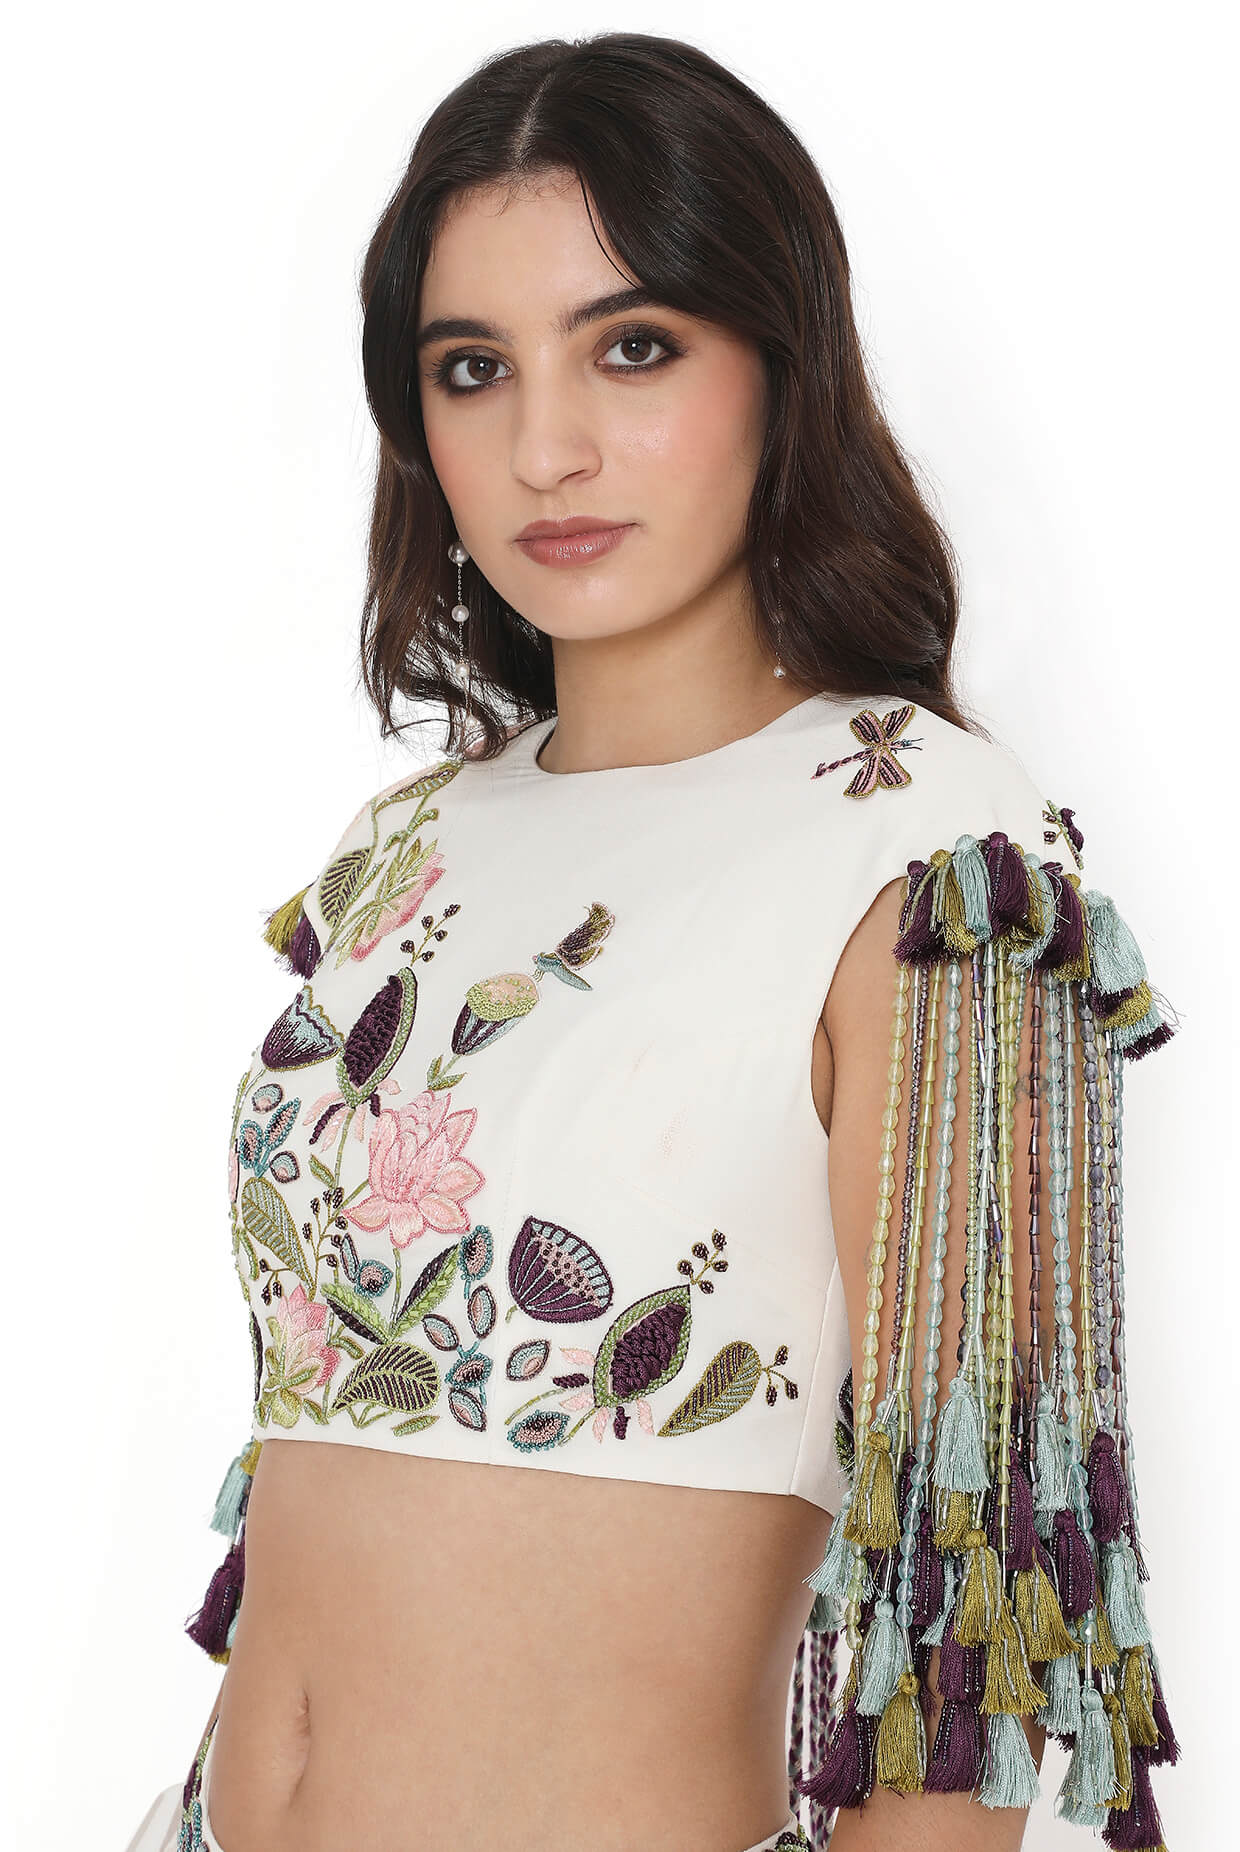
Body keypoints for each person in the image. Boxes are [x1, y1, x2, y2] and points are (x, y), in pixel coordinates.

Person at [125, 31, 1180, 1852]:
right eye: (473, 370)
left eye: (633, 347)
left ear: (783, 359)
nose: (547, 449)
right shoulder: (408, 845)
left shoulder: (933, 851)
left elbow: (973, 1640)